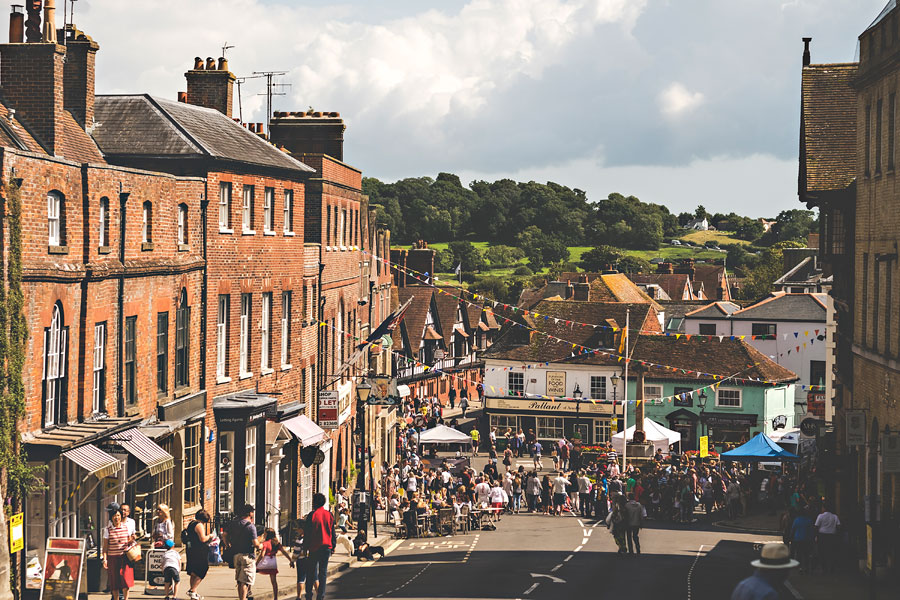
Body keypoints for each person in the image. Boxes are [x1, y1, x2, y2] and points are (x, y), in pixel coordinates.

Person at [730, 542, 798, 600]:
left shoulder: (743, 584)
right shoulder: (769, 593)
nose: (788, 574)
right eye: (787, 569)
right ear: (780, 571)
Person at [226, 504, 261, 600]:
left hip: (236, 555)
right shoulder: (250, 526)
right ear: (250, 513)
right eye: (252, 512)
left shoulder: (233, 523)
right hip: (247, 556)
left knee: (239, 580)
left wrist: (227, 544)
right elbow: (255, 543)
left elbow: (224, 534)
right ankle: (243, 598)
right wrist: (261, 545)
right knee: (244, 581)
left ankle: (242, 597)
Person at [304, 492, 335, 600]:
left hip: (314, 547)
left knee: (311, 573)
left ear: (315, 503)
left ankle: (308, 595)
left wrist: (305, 548)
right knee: (323, 573)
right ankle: (320, 596)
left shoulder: (312, 515)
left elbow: (307, 533)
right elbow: (332, 532)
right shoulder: (329, 515)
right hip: (326, 548)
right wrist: (333, 546)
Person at [102, 504, 135, 600]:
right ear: (111, 518)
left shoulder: (126, 528)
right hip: (112, 558)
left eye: (118, 516)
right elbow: (105, 547)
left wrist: (131, 541)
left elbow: (129, 541)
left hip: (124, 558)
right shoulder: (107, 530)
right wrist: (105, 560)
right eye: (114, 516)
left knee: (125, 581)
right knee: (114, 582)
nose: (117, 518)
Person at [257, 528, 294, 600]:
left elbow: (262, 555)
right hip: (273, 562)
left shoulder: (266, 543)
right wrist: (290, 560)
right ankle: (275, 597)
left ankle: (248, 590)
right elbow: (284, 552)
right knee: (274, 581)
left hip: (265, 562)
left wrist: (256, 563)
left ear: (266, 534)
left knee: (252, 574)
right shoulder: (277, 543)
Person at [185, 509, 214, 600]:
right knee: (202, 569)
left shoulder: (191, 523)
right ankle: (192, 590)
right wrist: (210, 536)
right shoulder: (199, 525)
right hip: (198, 551)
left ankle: (194, 593)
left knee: (194, 572)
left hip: (191, 550)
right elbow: (203, 539)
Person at [814, 504, 840, 572]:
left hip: (822, 536)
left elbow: (816, 526)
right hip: (832, 536)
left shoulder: (820, 516)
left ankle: (824, 568)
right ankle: (831, 567)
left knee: (822, 552)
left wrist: (816, 536)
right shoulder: (835, 516)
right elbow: (839, 526)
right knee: (831, 552)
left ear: (824, 508)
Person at [789, 507, 815, 574]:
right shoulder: (809, 520)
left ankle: (800, 567)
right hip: (807, 539)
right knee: (806, 554)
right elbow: (811, 531)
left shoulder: (796, 520)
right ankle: (806, 567)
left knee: (799, 554)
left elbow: (793, 529)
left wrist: (791, 537)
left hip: (798, 539)